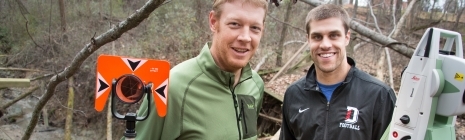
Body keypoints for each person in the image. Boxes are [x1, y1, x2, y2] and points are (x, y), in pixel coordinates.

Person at [121, 0, 267, 139]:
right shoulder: (171, 88)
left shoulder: (255, 85)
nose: (246, 37)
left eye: (255, 28)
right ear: (214, 22)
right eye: (235, 24)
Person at [279, 4, 397, 140]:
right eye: (317, 37)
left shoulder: (379, 95)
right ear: (308, 40)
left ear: (347, 37)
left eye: (334, 35)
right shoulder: (294, 94)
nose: (325, 45)